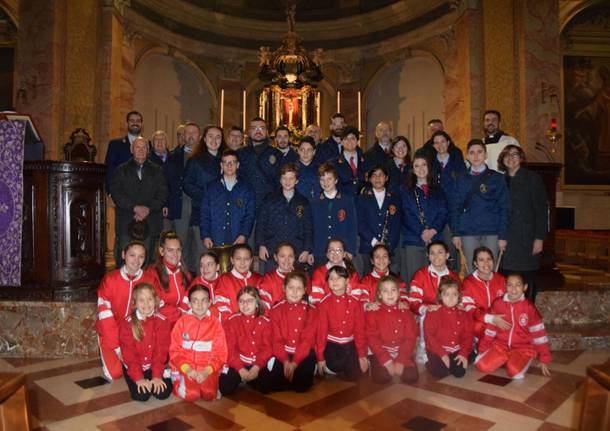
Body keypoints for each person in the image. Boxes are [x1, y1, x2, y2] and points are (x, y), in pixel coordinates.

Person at [475, 273, 552, 379]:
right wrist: (483, 349)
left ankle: (526, 357)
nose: (513, 289)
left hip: (523, 348)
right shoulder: (498, 304)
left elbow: (539, 334)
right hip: (501, 346)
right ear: (505, 286)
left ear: (525, 287)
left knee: (514, 372)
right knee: (481, 365)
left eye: (518, 285)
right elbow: (490, 329)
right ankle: (505, 357)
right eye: (510, 285)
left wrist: (545, 358)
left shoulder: (529, 307)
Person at [450, 139, 510, 274]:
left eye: (479, 152)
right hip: (468, 231)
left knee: (490, 270)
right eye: (472, 153)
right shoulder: (460, 178)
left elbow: (504, 208)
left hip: (492, 232)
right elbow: (455, 208)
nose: (476, 156)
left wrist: (503, 235)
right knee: (471, 271)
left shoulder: (497, 178)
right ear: (467, 156)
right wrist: (456, 233)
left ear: (485, 155)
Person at [497, 145, 548, 302]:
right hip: (506, 236)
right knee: (507, 277)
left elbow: (541, 210)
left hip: (527, 236)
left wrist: (539, 238)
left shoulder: (532, 178)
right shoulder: (499, 180)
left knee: (526, 278)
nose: (510, 158)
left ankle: (527, 314)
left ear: (521, 157)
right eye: (506, 155)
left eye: (514, 154)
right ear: (502, 159)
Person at [96, 241, 152, 381]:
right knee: (114, 374)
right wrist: (118, 349)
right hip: (110, 332)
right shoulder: (110, 279)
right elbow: (105, 317)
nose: (136, 260)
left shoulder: (148, 279)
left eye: (141, 256)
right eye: (132, 255)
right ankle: (105, 348)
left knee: (143, 367)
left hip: (134, 333)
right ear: (123, 255)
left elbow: (151, 315)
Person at [110, 136, 168, 266]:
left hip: (151, 220)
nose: (141, 150)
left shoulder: (158, 170)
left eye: (144, 147)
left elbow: (163, 193)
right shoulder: (120, 170)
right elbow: (117, 194)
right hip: (126, 221)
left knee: (147, 262)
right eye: (137, 147)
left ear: (148, 150)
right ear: (131, 149)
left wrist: (148, 208)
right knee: (125, 260)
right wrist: (135, 208)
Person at [169, 284, 228, 401]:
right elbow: (174, 351)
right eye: (195, 301)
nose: (199, 305)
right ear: (189, 304)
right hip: (187, 366)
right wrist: (188, 370)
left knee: (209, 394)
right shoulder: (182, 322)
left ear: (210, 302)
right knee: (191, 395)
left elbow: (220, 353)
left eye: (203, 300)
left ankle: (214, 382)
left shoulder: (216, 324)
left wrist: (206, 371)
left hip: (207, 367)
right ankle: (176, 379)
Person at [119, 282, 173, 401]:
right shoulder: (127, 324)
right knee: (142, 396)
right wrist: (139, 379)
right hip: (135, 365)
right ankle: (141, 379)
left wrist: (157, 376)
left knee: (163, 393)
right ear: (134, 303)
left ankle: (159, 377)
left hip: (155, 364)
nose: (146, 304)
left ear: (155, 301)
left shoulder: (162, 322)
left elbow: (161, 352)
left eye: (150, 299)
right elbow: (129, 355)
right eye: (141, 300)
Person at [399, 154, 448, 283]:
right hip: (414, 239)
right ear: (412, 170)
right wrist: (422, 232)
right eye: (417, 166)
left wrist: (432, 231)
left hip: (435, 239)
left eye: (424, 165)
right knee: (414, 278)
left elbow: (443, 212)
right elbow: (406, 214)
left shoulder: (439, 190)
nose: (421, 169)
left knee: (435, 279)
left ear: (429, 167)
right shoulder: (405, 190)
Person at [256, 163, 313, 272]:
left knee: (295, 284)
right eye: (284, 178)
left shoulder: (303, 202)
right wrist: (261, 245)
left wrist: (307, 249)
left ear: (296, 181)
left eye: (291, 178)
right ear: (280, 180)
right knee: (272, 283)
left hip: (296, 251)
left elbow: (308, 228)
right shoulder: (269, 199)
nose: (287, 181)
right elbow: (261, 224)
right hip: (272, 249)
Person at [316, 265, 368, 381]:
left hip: (349, 343)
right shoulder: (324, 304)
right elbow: (321, 332)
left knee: (356, 374)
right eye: (331, 278)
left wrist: (362, 355)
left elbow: (359, 330)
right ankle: (330, 366)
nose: (335, 281)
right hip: (332, 344)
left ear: (347, 281)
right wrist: (320, 357)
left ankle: (347, 365)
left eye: (339, 278)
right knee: (336, 365)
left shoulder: (355, 303)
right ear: (327, 282)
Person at [183, 125, 224, 271]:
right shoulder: (195, 160)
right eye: (211, 136)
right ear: (204, 139)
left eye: (218, 137)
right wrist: (206, 197)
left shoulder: (226, 160)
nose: (214, 140)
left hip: (223, 217)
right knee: (203, 258)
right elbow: (187, 184)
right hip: (201, 214)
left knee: (220, 259)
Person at [269, 271, 318, 392]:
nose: (295, 292)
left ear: (305, 290)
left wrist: (295, 363)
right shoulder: (276, 310)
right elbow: (277, 339)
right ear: (284, 288)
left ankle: (311, 368)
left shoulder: (311, 310)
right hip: (283, 353)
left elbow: (307, 340)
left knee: (301, 387)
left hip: (303, 353)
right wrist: (285, 361)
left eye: (299, 288)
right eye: (291, 288)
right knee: (276, 386)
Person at [220, 286, 273, 395]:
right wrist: (240, 369)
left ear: (257, 302)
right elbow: (230, 349)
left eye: (249, 301)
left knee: (267, 387)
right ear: (237, 304)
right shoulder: (232, 322)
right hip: (238, 363)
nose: (245, 305)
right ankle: (244, 377)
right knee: (224, 388)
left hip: (256, 363)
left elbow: (267, 348)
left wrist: (256, 368)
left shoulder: (265, 322)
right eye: (241, 301)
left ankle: (249, 379)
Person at [365, 276, 418, 384]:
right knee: (382, 378)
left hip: (401, 350)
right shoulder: (373, 313)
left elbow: (410, 338)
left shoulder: (406, 313)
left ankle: (405, 360)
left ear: (399, 293)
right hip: (381, 351)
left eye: (393, 290)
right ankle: (374, 362)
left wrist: (400, 361)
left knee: (411, 377)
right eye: (385, 291)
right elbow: (372, 338)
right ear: (379, 294)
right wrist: (387, 361)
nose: (390, 294)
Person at [200, 149, 255, 252]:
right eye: (226, 162)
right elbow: (205, 213)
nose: (229, 165)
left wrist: (243, 234)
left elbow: (250, 215)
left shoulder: (247, 188)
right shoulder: (211, 187)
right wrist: (205, 235)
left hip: (238, 238)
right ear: (221, 165)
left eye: (232, 162)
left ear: (237, 165)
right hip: (216, 238)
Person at [429, 130, 466, 272]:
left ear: (448, 143)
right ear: (433, 146)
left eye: (443, 142)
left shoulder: (458, 164)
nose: (440, 145)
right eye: (437, 143)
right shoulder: (430, 166)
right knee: (437, 251)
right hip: (436, 214)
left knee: (452, 252)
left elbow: (462, 190)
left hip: (453, 214)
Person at [165, 122, 201, 266]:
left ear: (199, 136)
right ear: (183, 136)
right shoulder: (173, 156)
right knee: (181, 244)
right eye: (188, 133)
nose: (191, 136)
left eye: (194, 133)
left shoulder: (206, 156)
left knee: (200, 246)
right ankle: (182, 279)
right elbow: (166, 182)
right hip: (181, 205)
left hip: (201, 206)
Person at [423, 276, 473, 378]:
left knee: (459, 372)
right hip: (437, 350)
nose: (451, 298)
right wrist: (443, 355)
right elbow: (429, 337)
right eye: (446, 294)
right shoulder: (433, 313)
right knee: (441, 373)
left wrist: (463, 353)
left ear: (459, 296)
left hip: (455, 349)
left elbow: (468, 335)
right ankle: (429, 362)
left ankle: (470, 355)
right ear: (440, 296)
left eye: (454, 294)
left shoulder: (464, 314)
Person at [356, 165, 401, 275]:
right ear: (370, 179)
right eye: (374, 176)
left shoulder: (395, 199)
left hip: (389, 249)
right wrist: (375, 242)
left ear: (386, 178)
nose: (377, 178)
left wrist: (387, 245)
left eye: (381, 175)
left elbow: (396, 225)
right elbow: (360, 223)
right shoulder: (361, 198)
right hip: (368, 247)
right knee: (368, 281)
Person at [311, 163, 357, 263]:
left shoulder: (347, 201)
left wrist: (350, 250)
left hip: (341, 252)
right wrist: (310, 251)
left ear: (336, 180)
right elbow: (310, 229)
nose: (325, 182)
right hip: (320, 251)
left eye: (329, 179)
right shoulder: (314, 202)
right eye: (322, 179)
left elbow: (352, 227)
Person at [237, 117, 282, 213]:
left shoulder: (277, 154)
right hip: (245, 205)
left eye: (262, 128)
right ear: (249, 132)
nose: (258, 131)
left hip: (269, 205)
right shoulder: (240, 154)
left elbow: (280, 181)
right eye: (254, 128)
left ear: (267, 132)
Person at [145, 231, 191, 326]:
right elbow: (156, 304)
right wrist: (180, 314)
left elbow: (190, 296)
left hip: (183, 322)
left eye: (178, 250)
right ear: (161, 251)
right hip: (160, 324)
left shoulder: (186, 273)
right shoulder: (152, 273)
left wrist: (184, 312)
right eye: (170, 250)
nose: (175, 254)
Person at [461, 247, 507, 342]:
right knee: (477, 327)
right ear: (475, 263)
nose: (486, 263)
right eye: (481, 260)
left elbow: (510, 303)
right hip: (480, 321)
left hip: (499, 319)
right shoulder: (468, 283)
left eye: (489, 259)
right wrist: (491, 318)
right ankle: (478, 343)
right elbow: (469, 309)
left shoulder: (501, 280)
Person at [407, 241, 458, 318]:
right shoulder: (420, 275)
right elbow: (413, 302)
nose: (436, 256)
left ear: (447, 255)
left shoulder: (454, 277)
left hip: (448, 314)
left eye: (440, 252)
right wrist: (426, 309)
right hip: (425, 315)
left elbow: (459, 301)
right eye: (432, 253)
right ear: (428, 256)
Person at [214, 244, 261, 319]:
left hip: (256, 324)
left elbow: (263, 304)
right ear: (232, 260)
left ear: (251, 260)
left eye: (246, 259)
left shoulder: (258, 278)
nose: (242, 263)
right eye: (238, 259)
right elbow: (220, 304)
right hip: (233, 324)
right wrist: (233, 322)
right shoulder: (224, 279)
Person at [310, 238, 361, 304]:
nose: (335, 253)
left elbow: (356, 295)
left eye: (339, 250)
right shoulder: (319, 272)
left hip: (348, 308)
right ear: (327, 254)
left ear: (344, 254)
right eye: (331, 250)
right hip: (326, 309)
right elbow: (316, 297)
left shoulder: (352, 273)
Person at [105, 110, 143, 192]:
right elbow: (109, 171)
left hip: (145, 196)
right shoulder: (115, 145)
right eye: (132, 121)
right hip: (121, 194)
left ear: (141, 124)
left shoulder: (149, 145)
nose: (135, 123)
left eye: (138, 121)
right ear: (127, 124)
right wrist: (110, 193)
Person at [258, 242, 298, 309]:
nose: (287, 260)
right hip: (274, 317)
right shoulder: (267, 279)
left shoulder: (302, 278)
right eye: (282, 256)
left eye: (290, 256)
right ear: (275, 257)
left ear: (294, 258)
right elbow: (265, 307)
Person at [332, 126, 366, 196]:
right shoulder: (333, 164)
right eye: (346, 139)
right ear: (341, 142)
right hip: (342, 203)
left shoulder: (366, 160)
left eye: (352, 138)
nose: (349, 141)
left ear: (357, 141)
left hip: (363, 202)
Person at [294, 136, 322, 202]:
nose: (305, 153)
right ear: (298, 151)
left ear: (314, 152)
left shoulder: (321, 169)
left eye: (309, 150)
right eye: (302, 149)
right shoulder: (292, 170)